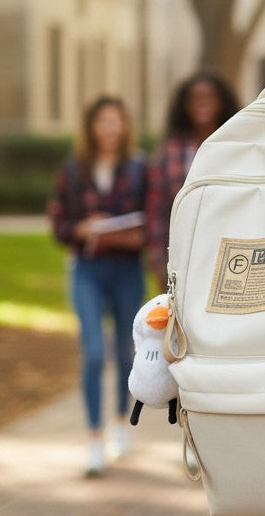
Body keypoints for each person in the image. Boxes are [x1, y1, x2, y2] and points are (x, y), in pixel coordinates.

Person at [48, 96, 147, 475]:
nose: (110, 128)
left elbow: (151, 220)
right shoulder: (73, 170)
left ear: (125, 126)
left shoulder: (139, 168)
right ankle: (93, 438)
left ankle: (121, 422)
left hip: (127, 269)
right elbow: (58, 225)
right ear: (91, 126)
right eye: (103, 121)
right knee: (92, 352)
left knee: (125, 349)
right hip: (87, 269)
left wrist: (127, 233)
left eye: (116, 121)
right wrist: (82, 228)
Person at [146, 72, 239, 292]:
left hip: (228, 251)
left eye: (210, 96)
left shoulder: (238, 147)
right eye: (195, 97)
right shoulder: (168, 153)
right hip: (183, 254)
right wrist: (160, 263)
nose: (202, 103)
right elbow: (157, 211)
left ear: (222, 102)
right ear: (184, 106)